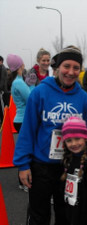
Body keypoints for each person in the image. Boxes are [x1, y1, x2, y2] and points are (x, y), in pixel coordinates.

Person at [13, 45, 87, 225]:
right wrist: (23, 164)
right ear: (57, 67)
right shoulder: (39, 92)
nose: (71, 72)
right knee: (38, 215)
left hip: (71, 166)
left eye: (76, 67)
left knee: (66, 214)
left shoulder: (84, 99)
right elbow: (27, 130)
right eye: (67, 66)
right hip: (41, 165)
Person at [60, 116, 87, 225]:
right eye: (69, 140)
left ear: (85, 138)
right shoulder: (68, 158)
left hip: (85, 207)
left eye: (77, 138)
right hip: (70, 204)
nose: (74, 144)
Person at [7, 54, 31, 192]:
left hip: (20, 119)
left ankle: (23, 182)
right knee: (26, 150)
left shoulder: (19, 81)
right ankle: (23, 182)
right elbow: (30, 99)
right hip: (23, 120)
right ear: (20, 66)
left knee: (25, 149)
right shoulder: (19, 83)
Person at [0, 55, 8, 124]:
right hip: (2, 90)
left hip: (2, 91)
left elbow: (2, 81)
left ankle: (4, 120)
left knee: (3, 106)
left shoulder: (3, 69)